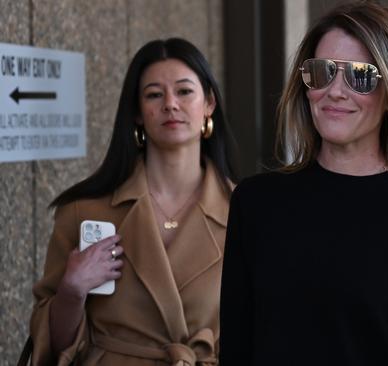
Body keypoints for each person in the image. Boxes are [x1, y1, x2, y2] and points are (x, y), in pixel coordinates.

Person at [219, 2, 388, 365]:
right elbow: (236, 350)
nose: (335, 91)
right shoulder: (256, 203)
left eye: (360, 75)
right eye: (321, 72)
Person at [29, 38, 238, 365]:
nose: (170, 104)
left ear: (209, 103)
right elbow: (51, 349)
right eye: (154, 94)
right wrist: (72, 291)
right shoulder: (84, 211)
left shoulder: (247, 212)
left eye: (184, 91)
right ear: (138, 113)